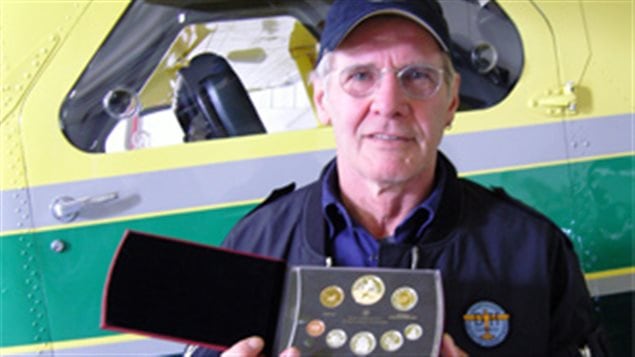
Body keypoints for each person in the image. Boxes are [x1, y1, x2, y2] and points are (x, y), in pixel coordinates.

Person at [191, 0, 608, 356]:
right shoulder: (253, 246)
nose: (389, 103)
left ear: (451, 101)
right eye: (360, 76)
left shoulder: (534, 252)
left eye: (418, 76)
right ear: (323, 99)